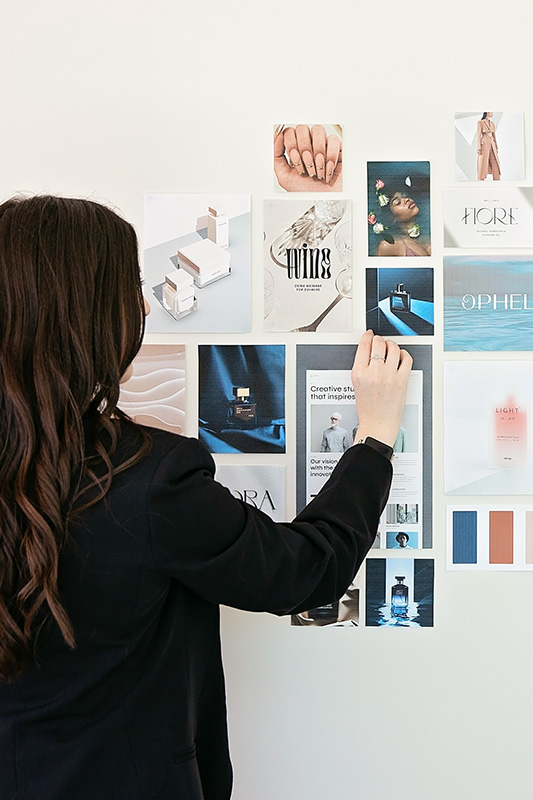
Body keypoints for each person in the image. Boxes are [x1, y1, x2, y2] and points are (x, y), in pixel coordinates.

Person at [0, 195, 411, 800]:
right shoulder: (148, 482)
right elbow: (305, 571)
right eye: (129, 287)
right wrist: (374, 440)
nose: (142, 305)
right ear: (82, 316)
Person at [376, 190, 431, 256]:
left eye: (405, 196)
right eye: (398, 202)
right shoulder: (389, 246)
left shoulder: (428, 236)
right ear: (390, 217)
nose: (407, 199)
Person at [477, 111, 501, 181]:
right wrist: (478, 147)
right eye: (491, 112)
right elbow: (478, 135)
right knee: (483, 161)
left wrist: (496, 146)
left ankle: (497, 179)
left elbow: (494, 135)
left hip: (492, 143)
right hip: (484, 143)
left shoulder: (492, 124)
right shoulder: (480, 122)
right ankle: (480, 179)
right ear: (487, 113)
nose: (492, 113)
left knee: (495, 162)